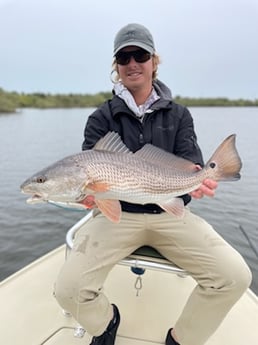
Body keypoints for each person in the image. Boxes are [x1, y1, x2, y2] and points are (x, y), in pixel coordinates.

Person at [54, 23, 252, 345]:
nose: (132, 63)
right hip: (117, 216)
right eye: (124, 57)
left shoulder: (179, 115)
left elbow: (191, 163)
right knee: (68, 289)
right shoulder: (100, 119)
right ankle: (106, 323)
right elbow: (89, 171)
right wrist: (86, 196)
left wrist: (198, 181)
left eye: (140, 55)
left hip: (168, 211)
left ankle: (181, 338)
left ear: (153, 61)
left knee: (235, 276)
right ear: (116, 67)